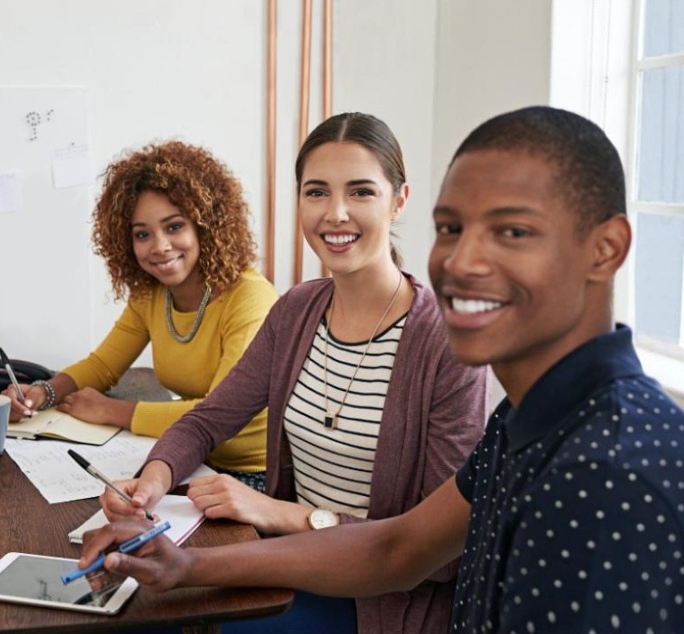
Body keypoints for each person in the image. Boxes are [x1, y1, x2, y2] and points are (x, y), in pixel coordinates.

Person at [79, 106, 684, 633]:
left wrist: (279, 518)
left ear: (605, 250)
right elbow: (397, 546)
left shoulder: (614, 469)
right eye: (452, 228)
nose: (461, 262)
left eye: (512, 231)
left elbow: (414, 566)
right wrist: (186, 560)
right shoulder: (531, 418)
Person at [101, 112, 489, 634]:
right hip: (289, 563)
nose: (336, 214)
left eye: (361, 193)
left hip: (380, 601)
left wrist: (282, 514)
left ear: (399, 201)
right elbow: (207, 421)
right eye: (316, 193)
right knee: (132, 607)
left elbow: (435, 552)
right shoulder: (297, 311)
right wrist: (152, 482)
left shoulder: (447, 342)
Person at [5, 141, 278, 484]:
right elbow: (102, 366)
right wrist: (42, 392)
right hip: (187, 455)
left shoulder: (250, 299)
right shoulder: (151, 295)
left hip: (253, 473)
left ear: (205, 226)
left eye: (174, 226)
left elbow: (220, 416)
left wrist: (111, 410)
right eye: (142, 234)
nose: (159, 246)